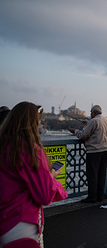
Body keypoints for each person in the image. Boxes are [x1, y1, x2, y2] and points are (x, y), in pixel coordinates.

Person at [0, 102, 68, 247]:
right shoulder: (31, 150)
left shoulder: (4, 145)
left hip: (4, 223)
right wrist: (52, 177)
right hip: (22, 224)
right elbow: (44, 195)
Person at [69, 105, 107, 203]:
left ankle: (92, 197)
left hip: (94, 151)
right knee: (101, 174)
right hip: (105, 150)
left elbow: (83, 135)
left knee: (93, 175)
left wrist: (75, 131)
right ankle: (100, 196)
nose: (90, 115)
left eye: (91, 113)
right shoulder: (106, 121)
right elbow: (97, 130)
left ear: (94, 113)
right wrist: (87, 124)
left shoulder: (93, 121)